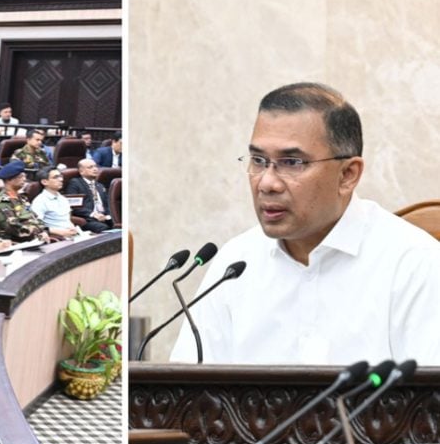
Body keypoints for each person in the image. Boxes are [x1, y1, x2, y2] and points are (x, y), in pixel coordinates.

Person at [170, 82, 440, 365]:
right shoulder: (235, 263)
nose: (267, 183)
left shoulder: (416, 265)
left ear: (348, 175)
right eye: (258, 160)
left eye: (291, 162)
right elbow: (187, 386)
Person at [0, 160, 49, 243]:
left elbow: (34, 217)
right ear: (9, 180)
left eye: (25, 176)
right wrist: (39, 233)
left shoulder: (22, 197)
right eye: (20, 177)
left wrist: (44, 231)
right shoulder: (2, 202)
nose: (24, 179)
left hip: (34, 240)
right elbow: (14, 228)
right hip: (15, 243)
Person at [65, 158, 112, 233]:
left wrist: (108, 216)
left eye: (95, 166)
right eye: (90, 167)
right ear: (81, 171)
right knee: (103, 228)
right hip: (87, 218)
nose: (95, 169)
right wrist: (93, 214)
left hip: (104, 217)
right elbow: (74, 206)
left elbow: (107, 204)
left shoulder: (100, 185)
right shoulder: (75, 183)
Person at [31, 166, 78, 238]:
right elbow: (36, 226)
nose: (61, 179)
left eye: (60, 176)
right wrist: (59, 232)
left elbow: (67, 219)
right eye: (55, 177)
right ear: (44, 182)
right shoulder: (40, 201)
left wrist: (72, 227)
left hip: (72, 235)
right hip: (57, 238)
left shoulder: (63, 198)